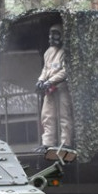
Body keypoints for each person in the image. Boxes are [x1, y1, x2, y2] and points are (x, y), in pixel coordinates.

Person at [35, 23, 73, 152]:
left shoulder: (65, 52)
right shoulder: (48, 52)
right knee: (47, 116)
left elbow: (65, 71)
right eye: (50, 34)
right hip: (49, 89)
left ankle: (65, 144)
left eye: (55, 34)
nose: (52, 37)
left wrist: (51, 81)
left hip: (62, 88)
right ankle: (48, 143)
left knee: (64, 116)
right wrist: (40, 80)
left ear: (62, 35)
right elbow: (46, 69)